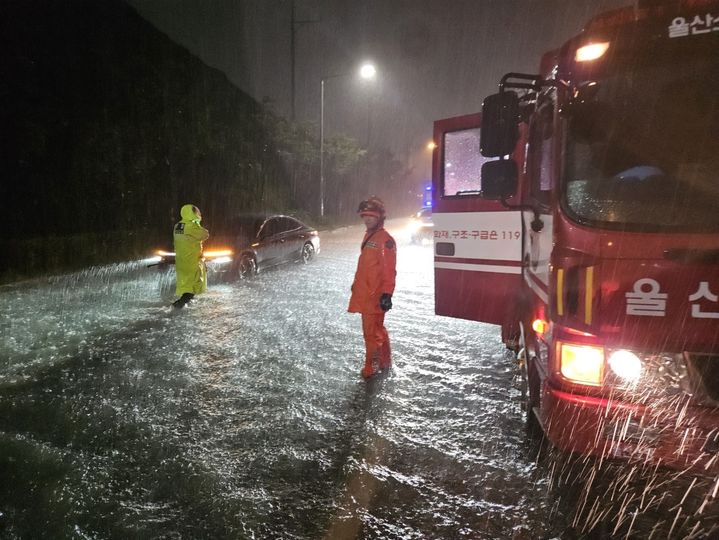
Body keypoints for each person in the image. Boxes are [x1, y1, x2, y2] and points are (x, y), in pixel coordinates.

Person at [348, 196, 397, 379]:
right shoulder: (371, 235)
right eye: (364, 216)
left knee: (371, 333)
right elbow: (367, 266)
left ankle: (371, 366)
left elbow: (389, 270)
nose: (367, 219)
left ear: (379, 218)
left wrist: (386, 293)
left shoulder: (385, 240)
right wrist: (356, 285)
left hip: (374, 295)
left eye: (371, 216)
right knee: (378, 329)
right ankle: (384, 361)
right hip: (367, 292)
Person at [172, 204, 209, 308]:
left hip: (182, 261)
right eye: (197, 212)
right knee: (192, 288)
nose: (199, 214)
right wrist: (197, 223)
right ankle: (176, 307)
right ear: (191, 213)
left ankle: (183, 304)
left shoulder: (178, 226)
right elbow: (205, 234)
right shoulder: (191, 226)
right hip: (192, 261)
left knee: (187, 285)